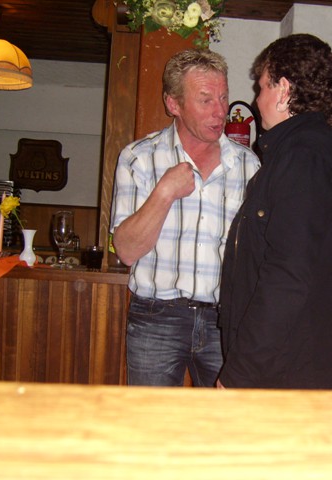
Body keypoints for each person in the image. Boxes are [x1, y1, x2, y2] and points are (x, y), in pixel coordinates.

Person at [217, 34, 332, 389]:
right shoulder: (321, 148)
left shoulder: (303, 156)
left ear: (283, 90)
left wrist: (240, 372)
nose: (256, 100)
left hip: (284, 369)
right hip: (295, 360)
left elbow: (287, 275)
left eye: (261, 87)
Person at [110, 49, 260, 387]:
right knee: (153, 419)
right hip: (156, 317)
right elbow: (126, 251)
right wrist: (164, 193)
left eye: (223, 97)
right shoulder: (138, 158)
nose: (220, 111)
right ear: (173, 104)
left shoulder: (249, 165)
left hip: (227, 319)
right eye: (205, 100)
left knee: (227, 420)